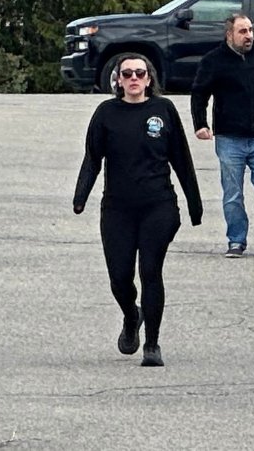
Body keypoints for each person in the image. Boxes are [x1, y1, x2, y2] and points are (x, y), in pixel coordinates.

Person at [73, 54, 203, 367]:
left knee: (150, 271)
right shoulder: (106, 113)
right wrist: (81, 196)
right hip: (117, 209)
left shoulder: (163, 110)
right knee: (120, 278)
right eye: (127, 73)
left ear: (148, 78)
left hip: (158, 205)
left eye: (139, 73)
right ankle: (132, 317)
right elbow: (93, 159)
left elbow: (181, 160)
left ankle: (152, 344)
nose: (133, 78)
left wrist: (194, 204)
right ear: (118, 80)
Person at [191, 14, 254, 258]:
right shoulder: (213, 60)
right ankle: (236, 240)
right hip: (229, 137)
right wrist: (200, 124)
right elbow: (199, 93)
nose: (249, 35)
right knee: (233, 193)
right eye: (242, 31)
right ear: (229, 35)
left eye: (250, 30)